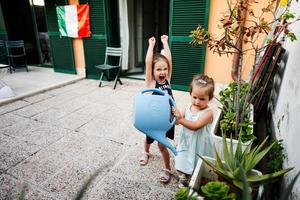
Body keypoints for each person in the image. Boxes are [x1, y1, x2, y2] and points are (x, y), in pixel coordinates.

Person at [138, 35, 174, 184]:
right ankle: (145, 152)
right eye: (158, 69)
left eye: (165, 69)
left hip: (165, 120)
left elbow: (170, 61)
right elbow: (148, 63)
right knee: (148, 139)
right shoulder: (151, 83)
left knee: (162, 145)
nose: (163, 72)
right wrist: (151, 45)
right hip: (153, 119)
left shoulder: (168, 80)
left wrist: (165, 43)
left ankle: (167, 169)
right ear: (152, 71)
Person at [173, 74, 215, 188]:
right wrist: (175, 117)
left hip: (200, 143)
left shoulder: (208, 112)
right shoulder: (188, 106)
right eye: (195, 97)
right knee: (185, 157)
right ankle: (185, 175)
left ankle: (195, 177)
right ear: (190, 94)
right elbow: (179, 119)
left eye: (202, 99)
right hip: (187, 140)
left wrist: (181, 120)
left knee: (197, 159)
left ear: (209, 98)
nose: (197, 101)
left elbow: (196, 126)